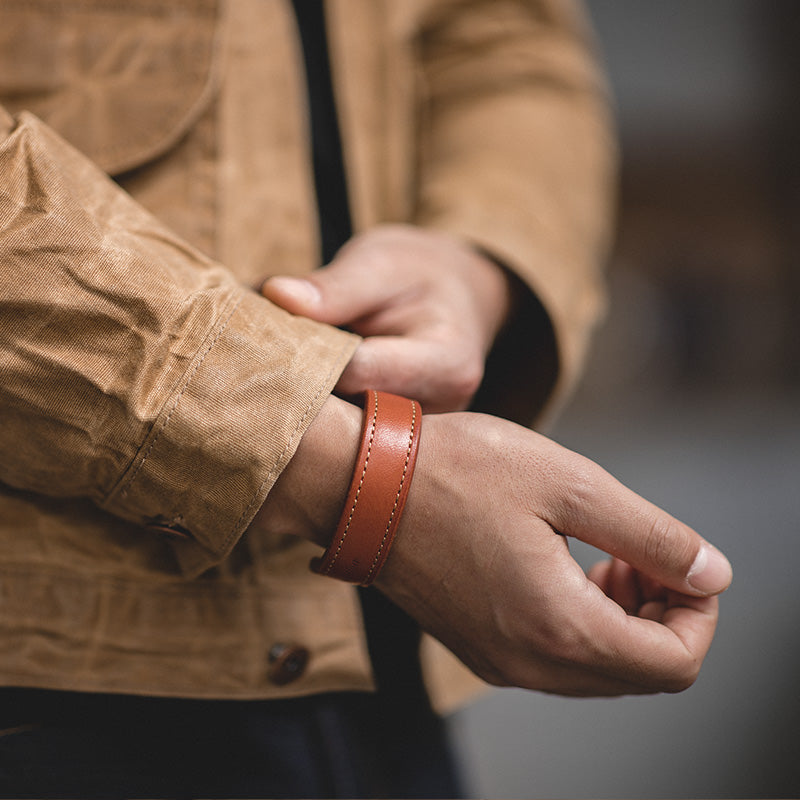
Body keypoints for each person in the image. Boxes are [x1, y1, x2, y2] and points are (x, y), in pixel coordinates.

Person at [0, 0, 731, 796]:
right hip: (52, 680)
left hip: (386, 664)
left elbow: (509, 36)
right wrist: (356, 478)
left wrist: (476, 264)